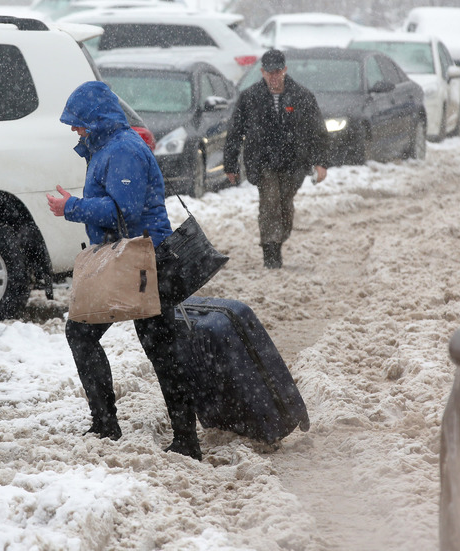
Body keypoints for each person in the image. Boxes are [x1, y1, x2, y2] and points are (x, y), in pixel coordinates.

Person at [46, 81, 202, 461]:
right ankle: (107, 425)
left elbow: (122, 212)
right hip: (129, 258)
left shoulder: (124, 150)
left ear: (96, 119)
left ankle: (182, 439)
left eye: (78, 121)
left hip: (148, 261)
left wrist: (71, 206)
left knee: (159, 349)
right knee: (90, 333)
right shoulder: (106, 148)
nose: (73, 129)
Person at [224, 49, 330, 269]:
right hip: (263, 161)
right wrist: (231, 164)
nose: (274, 76)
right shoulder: (250, 97)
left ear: (285, 70)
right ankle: (271, 252)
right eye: (269, 72)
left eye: (278, 71)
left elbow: (317, 131)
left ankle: (278, 238)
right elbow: (235, 132)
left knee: (284, 204)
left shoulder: (302, 96)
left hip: (294, 161)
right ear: (262, 72)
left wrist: (321, 162)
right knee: (270, 202)